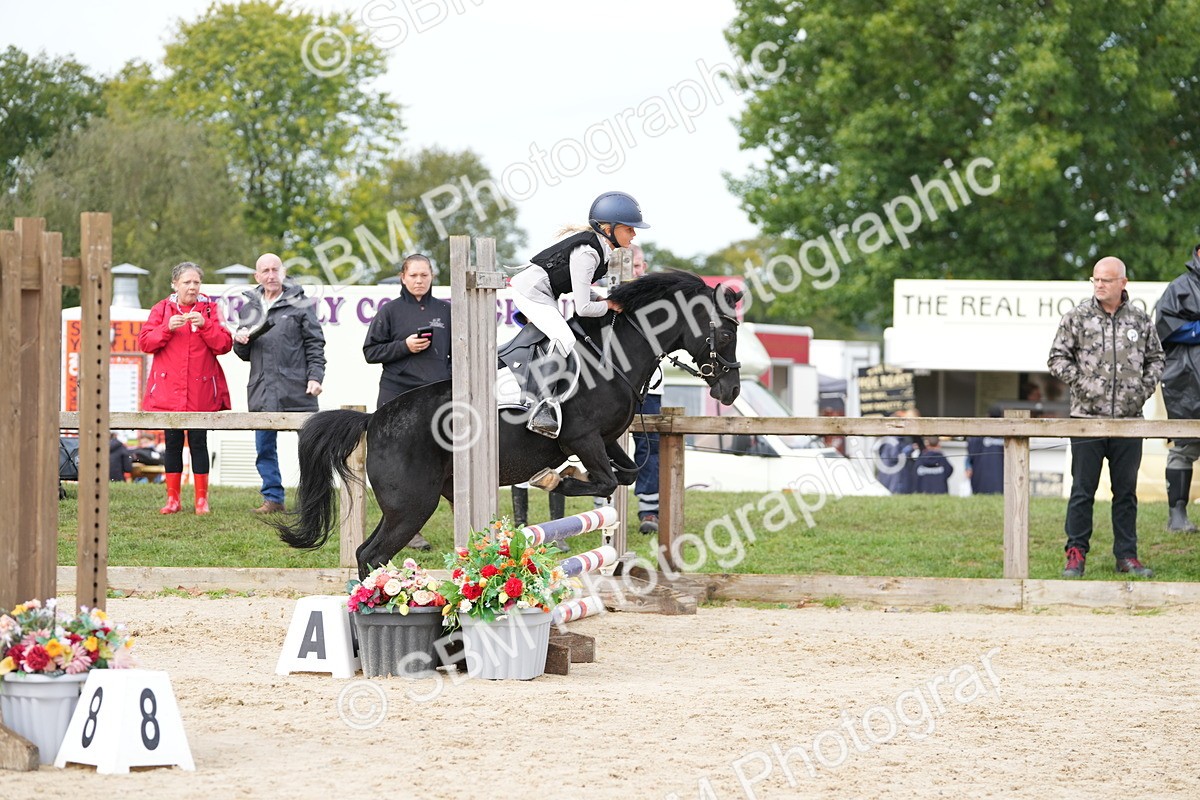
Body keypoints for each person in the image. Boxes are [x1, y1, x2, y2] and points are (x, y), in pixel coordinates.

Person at [1047, 256, 1164, 578]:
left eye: (1106, 280)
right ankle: (1075, 553)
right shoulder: (1077, 317)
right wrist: (1085, 384)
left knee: (1125, 492)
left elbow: (1156, 358)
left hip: (1129, 420)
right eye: (1095, 279)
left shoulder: (1140, 320)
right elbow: (1057, 359)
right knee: (1083, 490)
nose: (1099, 285)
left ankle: (1127, 556)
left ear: (1123, 283)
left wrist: (1142, 390)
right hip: (1086, 418)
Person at [508, 191, 647, 437]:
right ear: (608, 228)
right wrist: (608, 306)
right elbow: (582, 308)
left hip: (544, 293)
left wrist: (602, 300)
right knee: (566, 339)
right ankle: (541, 407)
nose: (634, 234)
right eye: (629, 228)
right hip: (530, 292)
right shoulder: (588, 253)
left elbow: (580, 289)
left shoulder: (601, 251)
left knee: (561, 337)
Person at [233, 253, 326, 514]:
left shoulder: (300, 303)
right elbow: (244, 355)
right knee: (264, 449)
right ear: (257, 276)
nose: (271, 275)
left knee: (310, 449)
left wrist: (315, 377)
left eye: (275, 270)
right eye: (266, 271)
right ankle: (273, 498)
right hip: (262, 389)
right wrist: (240, 342)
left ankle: (311, 501)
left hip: (298, 388)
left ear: (283, 273)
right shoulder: (249, 308)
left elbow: (314, 343)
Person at [138, 262, 233, 515]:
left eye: (196, 282)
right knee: (172, 443)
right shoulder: (161, 309)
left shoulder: (211, 309)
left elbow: (224, 345)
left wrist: (205, 325)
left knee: (199, 442)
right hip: (169, 389)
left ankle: (201, 500)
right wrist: (166, 328)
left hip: (200, 390)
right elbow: (145, 342)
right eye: (187, 282)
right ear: (175, 284)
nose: (192, 287)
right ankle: (173, 500)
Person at [363, 254, 451, 408]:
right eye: (413, 275)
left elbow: (461, 352)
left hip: (437, 393)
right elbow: (370, 352)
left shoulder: (446, 310)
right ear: (403, 277)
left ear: (432, 276)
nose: (419, 280)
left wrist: (445, 376)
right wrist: (405, 346)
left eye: (424, 275)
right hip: (396, 392)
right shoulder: (389, 310)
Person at [1154, 243, 1200, 533]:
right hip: (1187, 383)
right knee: (1184, 447)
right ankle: (1178, 515)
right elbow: (1163, 326)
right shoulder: (1180, 288)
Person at [630, 245, 663, 534]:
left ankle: (649, 510)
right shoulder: (600, 292)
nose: (635, 271)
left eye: (639, 265)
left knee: (649, 444)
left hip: (650, 384)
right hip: (610, 385)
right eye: (630, 266)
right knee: (603, 443)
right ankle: (603, 506)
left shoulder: (656, 296)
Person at [965, 408, 1005, 495]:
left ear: (988, 416)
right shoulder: (1007, 434)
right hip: (1002, 481)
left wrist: (967, 467)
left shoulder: (978, 435)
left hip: (981, 480)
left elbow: (970, 455)